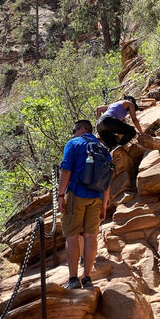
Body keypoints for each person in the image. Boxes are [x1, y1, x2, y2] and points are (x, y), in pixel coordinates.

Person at [58, 119, 111, 290]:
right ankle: (87, 277)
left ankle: (73, 279)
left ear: (81, 129)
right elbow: (107, 178)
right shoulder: (103, 148)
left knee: (72, 235)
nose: (73, 134)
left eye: (74, 130)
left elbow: (66, 170)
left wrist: (60, 195)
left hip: (77, 194)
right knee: (90, 236)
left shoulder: (74, 143)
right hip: (97, 196)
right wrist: (104, 204)